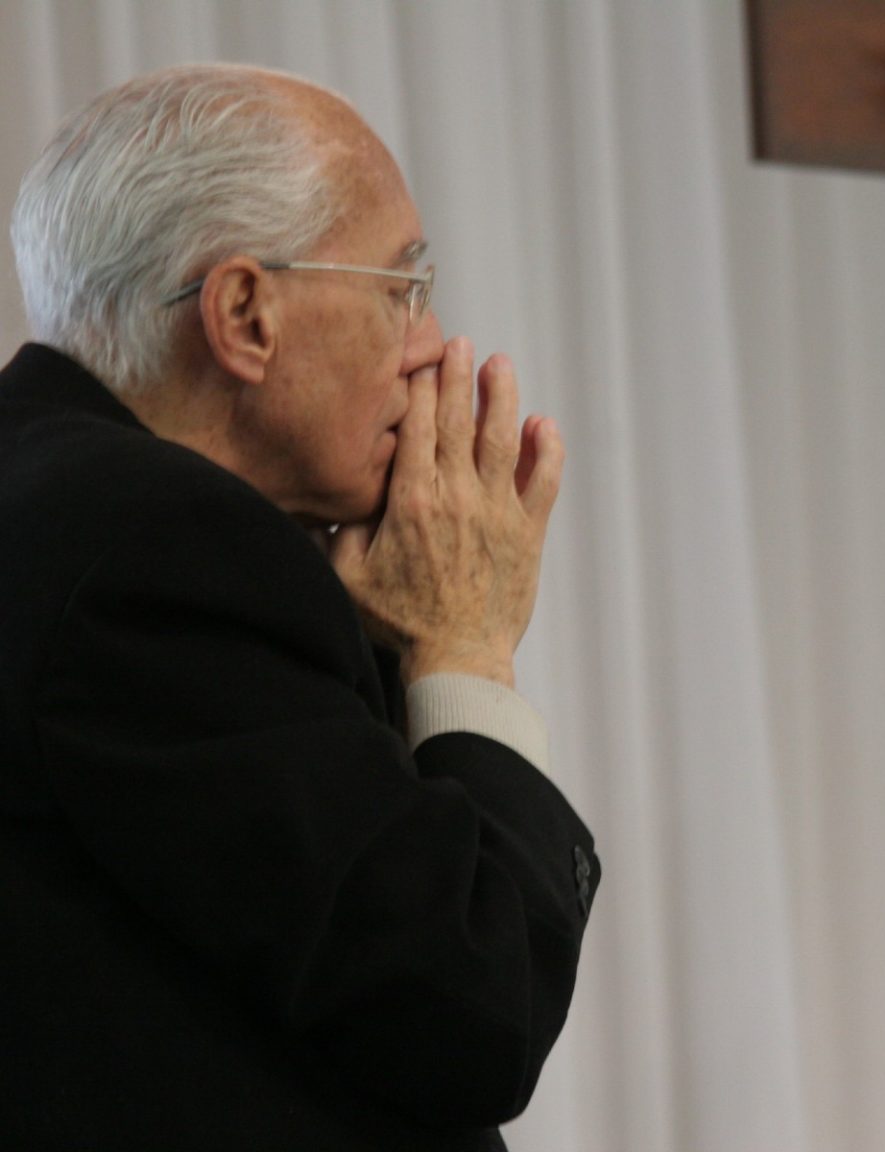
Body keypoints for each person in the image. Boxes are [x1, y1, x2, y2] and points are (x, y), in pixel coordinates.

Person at [0, 64, 598, 1151]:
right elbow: (469, 1009)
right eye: (400, 287)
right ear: (245, 315)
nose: (432, 343)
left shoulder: (68, 506)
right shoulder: (159, 546)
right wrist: (466, 645)